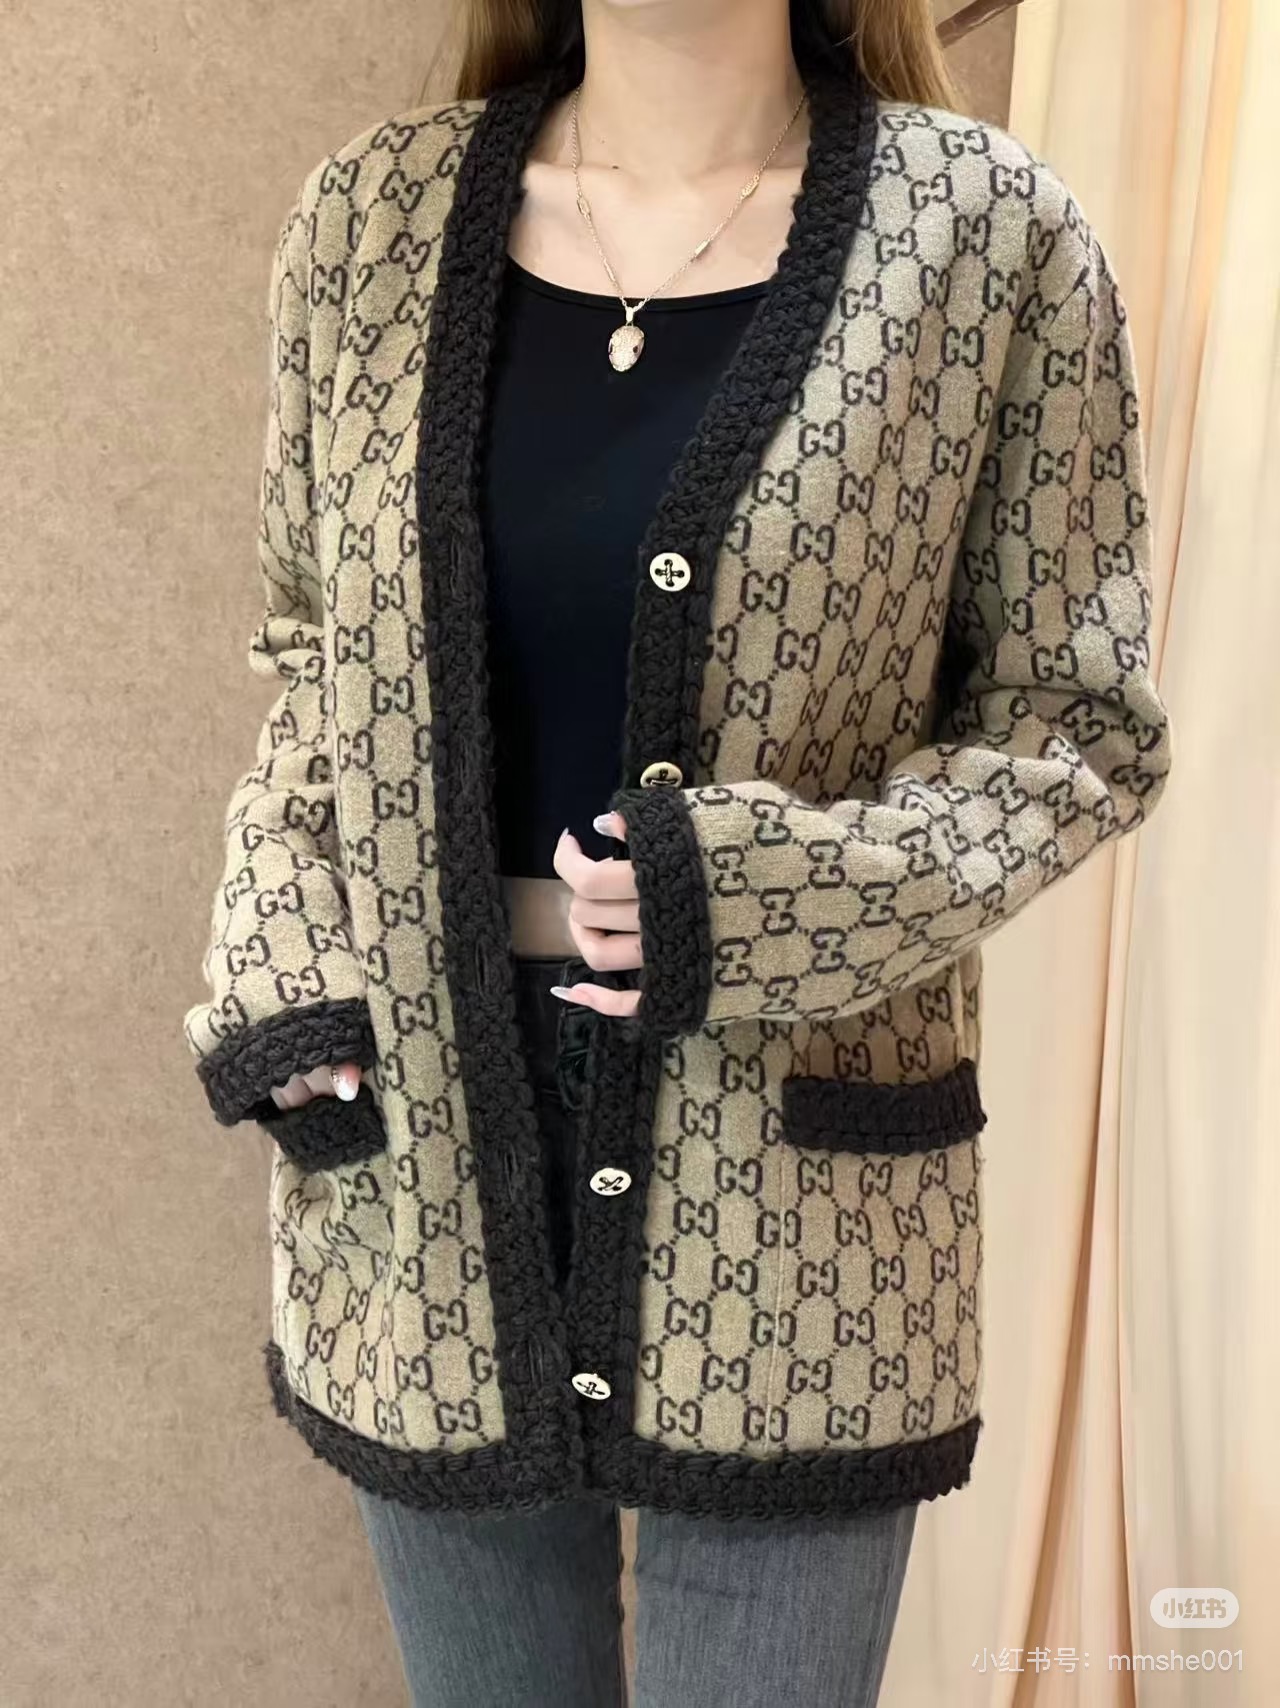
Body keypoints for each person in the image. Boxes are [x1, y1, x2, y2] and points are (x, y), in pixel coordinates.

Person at [181, 0, 1173, 1703]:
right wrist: (280, 958)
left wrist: (774, 901)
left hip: (798, 1216)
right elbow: (310, 658)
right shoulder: (367, 222)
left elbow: (1079, 726)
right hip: (422, 1188)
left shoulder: (989, 239)